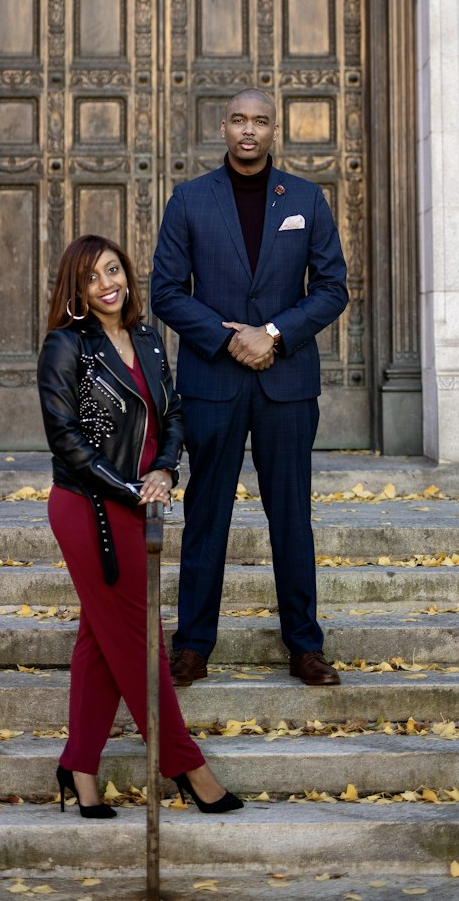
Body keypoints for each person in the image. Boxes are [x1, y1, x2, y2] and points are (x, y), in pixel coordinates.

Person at [37, 233, 243, 818]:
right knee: (139, 639)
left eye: (114, 271)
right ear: (76, 290)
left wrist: (164, 470)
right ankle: (184, 764)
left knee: (99, 643)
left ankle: (79, 765)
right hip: (87, 508)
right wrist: (132, 487)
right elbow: (67, 441)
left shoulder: (148, 341)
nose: (109, 284)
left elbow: (171, 413)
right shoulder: (65, 346)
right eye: (94, 278)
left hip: (138, 501)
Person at [150, 89, 349, 689]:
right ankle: (192, 646)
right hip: (213, 382)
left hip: (286, 383)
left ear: (274, 130)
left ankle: (305, 647)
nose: (249, 131)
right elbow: (165, 290)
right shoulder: (189, 200)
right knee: (207, 514)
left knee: (291, 515)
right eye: (239, 120)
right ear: (223, 126)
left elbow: (332, 286)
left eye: (260, 121)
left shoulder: (307, 199)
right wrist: (227, 336)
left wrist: (274, 334)